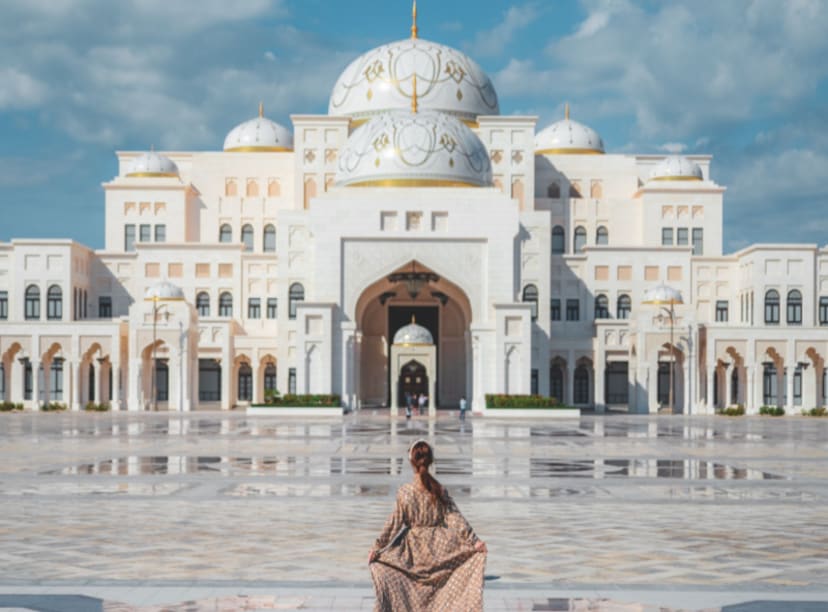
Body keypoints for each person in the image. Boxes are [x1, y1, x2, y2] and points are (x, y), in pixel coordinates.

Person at [368, 439, 487, 611]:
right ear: (430, 461)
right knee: (439, 589)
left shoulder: (405, 492)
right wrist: (474, 541)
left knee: (399, 577)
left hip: (412, 550)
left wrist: (377, 548)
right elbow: (455, 518)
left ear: (411, 462)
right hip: (440, 547)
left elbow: (394, 523)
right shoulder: (439, 490)